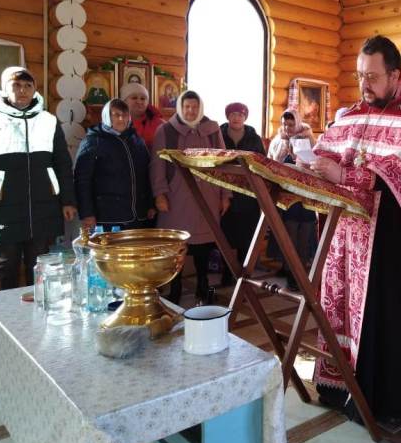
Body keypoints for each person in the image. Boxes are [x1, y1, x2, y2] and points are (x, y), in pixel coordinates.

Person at [311, 35, 401, 423]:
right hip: (347, 240)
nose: (364, 85)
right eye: (359, 76)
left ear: (394, 74)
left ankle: (382, 402)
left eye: (372, 76)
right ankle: (337, 388)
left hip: (391, 245)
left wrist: (345, 174)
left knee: (381, 318)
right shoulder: (354, 116)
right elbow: (328, 149)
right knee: (338, 306)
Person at [0, 67, 77, 289]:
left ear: (35, 89)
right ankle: (8, 316)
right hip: (3, 208)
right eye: (16, 85)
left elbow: (63, 164)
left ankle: (36, 317)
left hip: (44, 207)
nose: (22, 90)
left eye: (28, 85)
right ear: (4, 88)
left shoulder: (48, 120)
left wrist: (68, 200)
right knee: (6, 264)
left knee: (39, 266)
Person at [150, 90, 230, 305]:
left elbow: (223, 163)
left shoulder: (213, 130)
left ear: (200, 107)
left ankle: (203, 285)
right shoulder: (165, 131)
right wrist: (160, 194)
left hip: (208, 196)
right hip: (177, 197)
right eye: (186, 107)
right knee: (177, 245)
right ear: (180, 108)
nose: (191, 111)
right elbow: (157, 166)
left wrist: (225, 195)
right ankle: (175, 288)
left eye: (194, 107)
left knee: (204, 245)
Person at [74, 99, 155, 231]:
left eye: (125, 115)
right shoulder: (93, 141)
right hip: (107, 217)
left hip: (137, 216)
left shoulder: (137, 140)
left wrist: (151, 204)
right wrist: (87, 213)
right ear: (106, 116)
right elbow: (82, 181)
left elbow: (147, 174)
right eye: (116, 115)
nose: (121, 119)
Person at [267, 110, 316, 288]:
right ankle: (289, 269)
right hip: (286, 195)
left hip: (305, 193)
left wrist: (299, 157)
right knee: (289, 234)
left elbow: (313, 163)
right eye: (285, 124)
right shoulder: (278, 140)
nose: (287, 128)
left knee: (303, 236)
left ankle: (299, 273)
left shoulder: (308, 138)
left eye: (291, 124)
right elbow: (271, 162)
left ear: (297, 123)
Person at [219, 102, 266, 287]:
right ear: (227, 116)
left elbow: (262, 163)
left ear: (245, 117)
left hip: (248, 195)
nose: (236, 118)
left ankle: (244, 277)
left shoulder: (254, 137)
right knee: (225, 235)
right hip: (225, 192)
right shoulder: (219, 135)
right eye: (233, 114)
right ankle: (227, 272)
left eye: (240, 114)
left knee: (247, 237)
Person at [120, 82, 164, 151]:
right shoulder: (114, 122)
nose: (139, 101)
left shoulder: (160, 124)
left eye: (143, 98)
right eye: (134, 98)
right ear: (124, 101)